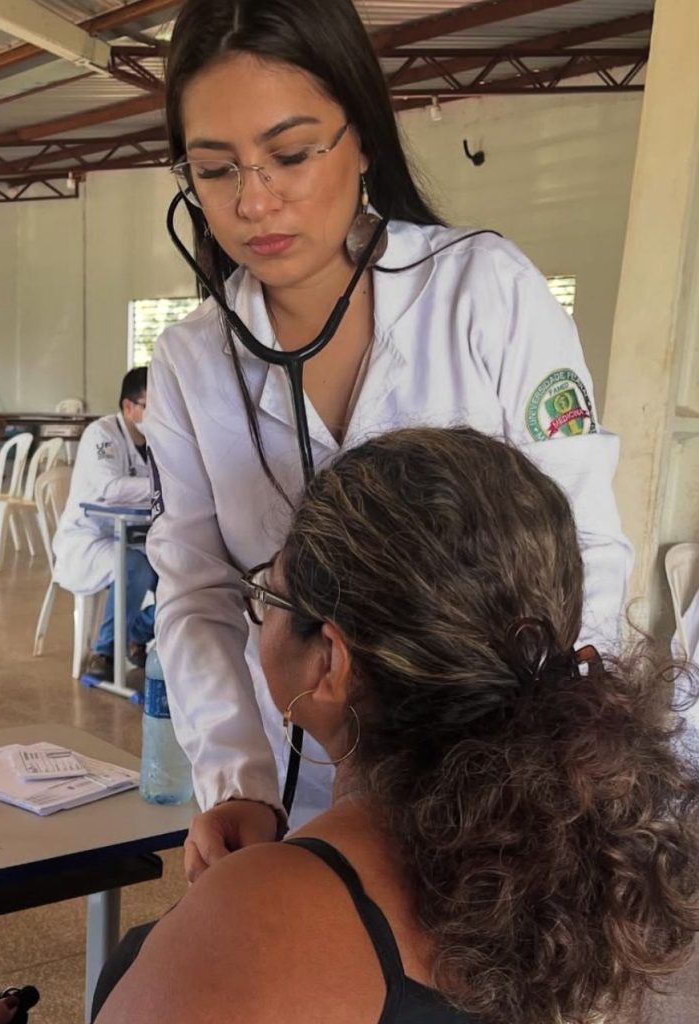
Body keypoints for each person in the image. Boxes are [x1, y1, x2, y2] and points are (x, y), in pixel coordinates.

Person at [142, 0, 634, 876]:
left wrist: (550, 767)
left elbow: (581, 543)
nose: (255, 201)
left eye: (290, 155)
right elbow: (197, 589)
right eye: (215, 170)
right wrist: (238, 778)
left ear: (363, 136)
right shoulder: (190, 361)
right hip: (297, 795)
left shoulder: (482, 291)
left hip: (498, 788)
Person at [92, 428, 699, 1024]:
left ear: (329, 660)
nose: (258, 616)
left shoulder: (260, 916)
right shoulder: (554, 881)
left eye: (266, 595)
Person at [53, 366, 154, 682]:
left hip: (133, 533)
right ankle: (105, 650)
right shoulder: (102, 435)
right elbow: (110, 489)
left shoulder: (157, 441)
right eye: (153, 407)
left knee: (183, 571)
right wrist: (163, 487)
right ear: (129, 407)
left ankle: (136, 631)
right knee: (135, 566)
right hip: (90, 536)